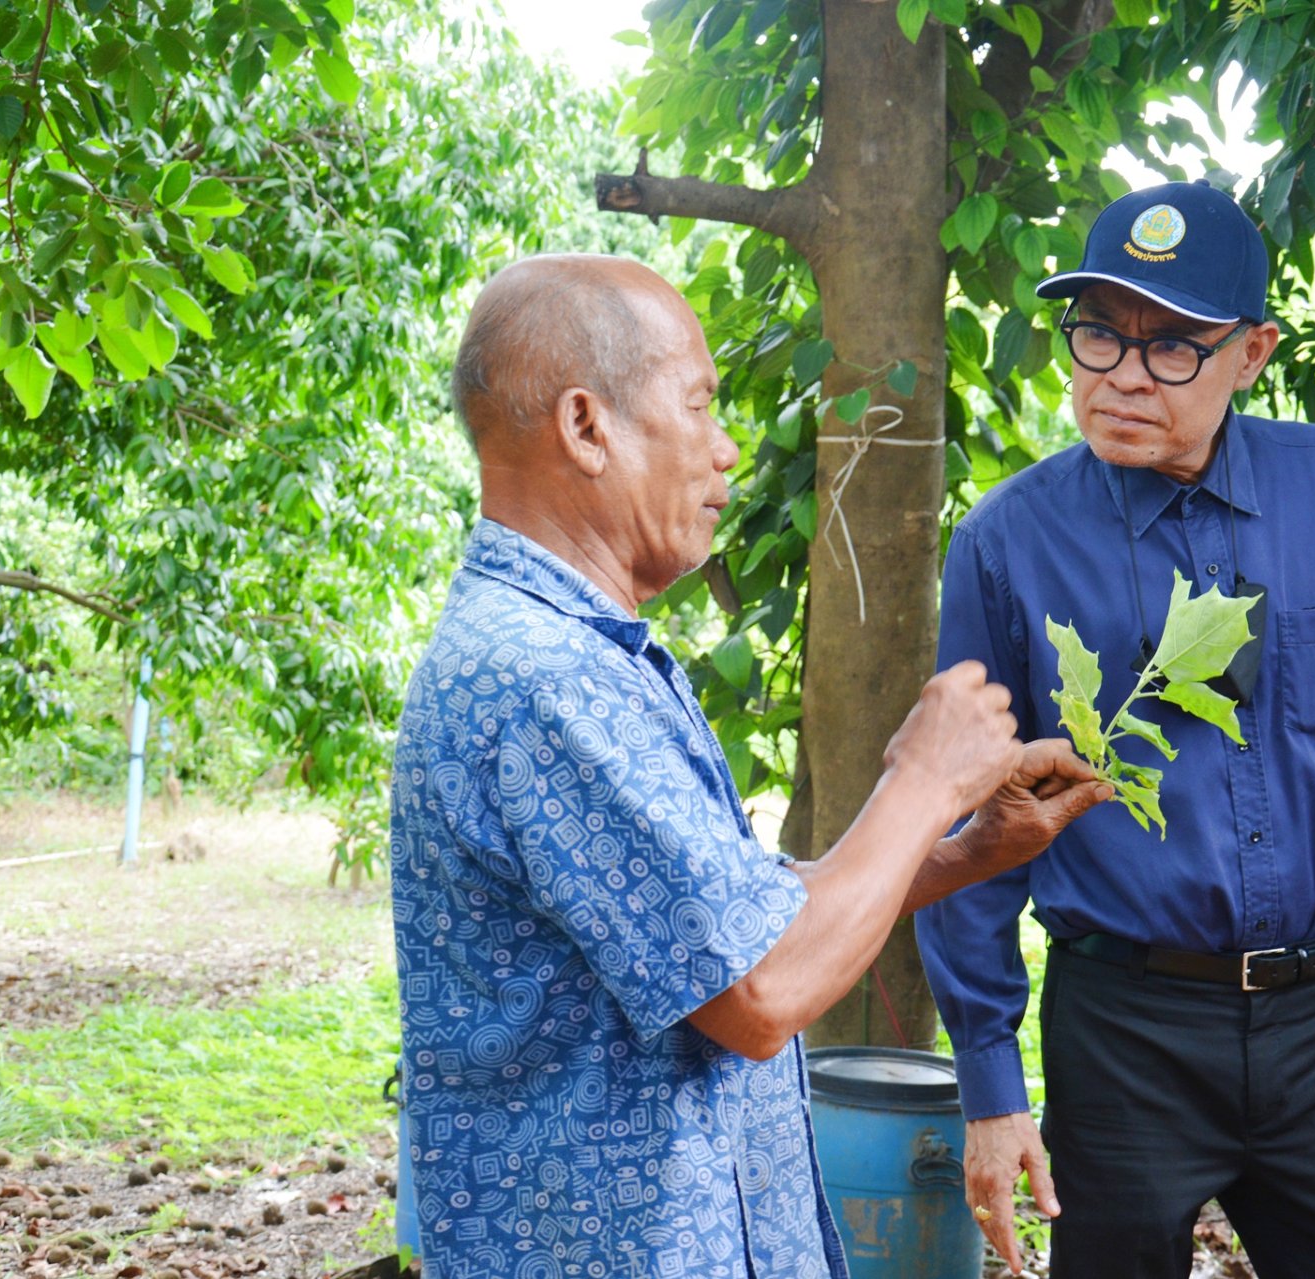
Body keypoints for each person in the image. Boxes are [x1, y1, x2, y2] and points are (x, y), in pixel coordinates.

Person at [388, 253, 1113, 1279]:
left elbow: (728, 923)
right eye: (698, 405)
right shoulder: (545, 679)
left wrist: (961, 847)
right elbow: (759, 990)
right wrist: (923, 776)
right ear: (587, 427)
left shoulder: (585, 653)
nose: (727, 451)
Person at [915, 182, 1315, 1279]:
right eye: (1099, 334)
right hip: (1123, 1029)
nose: (1125, 374)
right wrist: (992, 1086)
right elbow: (970, 830)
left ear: (1253, 352)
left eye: (1174, 345)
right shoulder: (1008, 544)